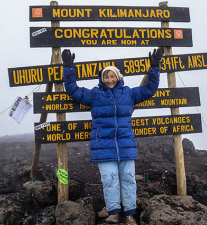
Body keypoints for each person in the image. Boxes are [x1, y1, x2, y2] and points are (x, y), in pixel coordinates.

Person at [62, 48, 163, 224]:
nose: (109, 80)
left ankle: (129, 214)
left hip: (126, 146)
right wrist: (68, 68)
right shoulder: (94, 94)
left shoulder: (129, 93)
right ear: (102, 79)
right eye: (106, 77)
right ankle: (114, 212)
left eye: (112, 76)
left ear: (118, 77)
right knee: (109, 181)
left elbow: (150, 89)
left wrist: (154, 67)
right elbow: (73, 90)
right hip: (103, 146)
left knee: (129, 180)